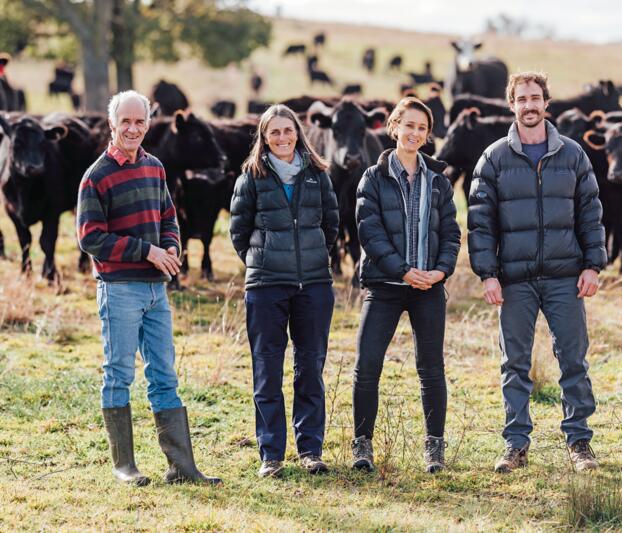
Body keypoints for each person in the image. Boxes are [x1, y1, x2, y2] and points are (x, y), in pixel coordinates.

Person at [77, 90, 220, 486]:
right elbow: (90, 238)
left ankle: (181, 466)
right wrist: (148, 251)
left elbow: (169, 215)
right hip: (119, 287)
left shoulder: (155, 167)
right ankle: (124, 465)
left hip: (157, 291)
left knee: (164, 375)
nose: (133, 129)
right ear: (112, 124)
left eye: (140, 122)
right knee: (119, 373)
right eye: (125, 121)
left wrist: (171, 244)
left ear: (148, 124)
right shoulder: (96, 176)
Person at [468, 71, 607, 473]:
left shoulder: (573, 155)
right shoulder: (494, 158)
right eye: (521, 99)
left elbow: (591, 212)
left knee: (573, 360)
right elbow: (480, 222)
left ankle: (579, 442)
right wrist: (488, 274)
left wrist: (592, 265)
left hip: (566, 276)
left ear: (547, 103)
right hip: (514, 280)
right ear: (511, 105)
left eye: (535, 98)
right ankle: (515, 445)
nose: (529, 105)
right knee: (514, 363)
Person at [352, 97, 461, 473]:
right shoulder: (373, 177)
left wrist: (441, 271)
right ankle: (362, 446)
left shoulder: (439, 182)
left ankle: (434, 448)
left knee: (431, 368)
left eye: (422, 128)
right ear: (393, 126)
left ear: (427, 136)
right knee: (367, 364)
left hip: (428, 288)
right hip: (384, 285)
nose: (414, 133)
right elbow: (370, 230)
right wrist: (401, 270)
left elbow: (451, 233)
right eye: (408, 125)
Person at [229, 105, 339, 478]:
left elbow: (331, 223)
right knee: (267, 369)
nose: (281, 138)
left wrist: (313, 257)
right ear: (263, 137)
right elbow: (238, 232)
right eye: (273, 132)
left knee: (310, 367)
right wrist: (262, 262)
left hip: (314, 286)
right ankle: (271, 454)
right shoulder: (251, 177)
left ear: (298, 133)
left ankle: (310, 450)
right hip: (266, 287)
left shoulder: (317, 175)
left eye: (287, 131)